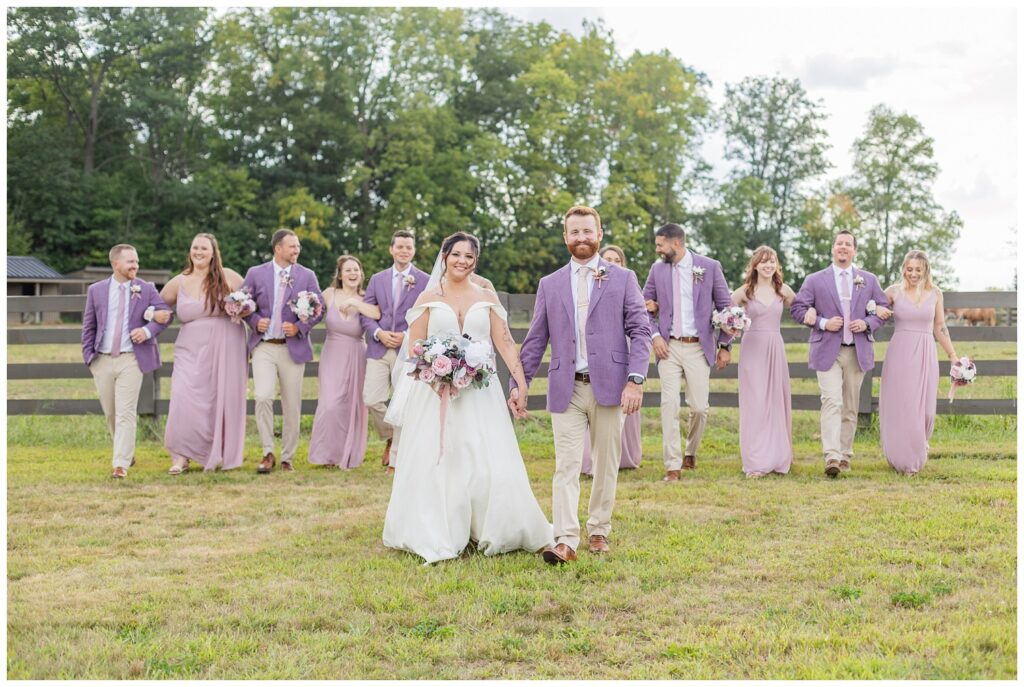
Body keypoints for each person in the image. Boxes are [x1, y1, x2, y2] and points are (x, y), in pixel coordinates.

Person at [382, 232, 553, 563]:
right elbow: (415, 350)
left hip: (480, 392)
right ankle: (439, 528)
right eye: (456, 254)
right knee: (439, 458)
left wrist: (521, 382)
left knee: (483, 455)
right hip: (435, 394)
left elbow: (504, 342)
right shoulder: (427, 298)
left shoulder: (486, 296)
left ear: (476, 261)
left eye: (469, 257)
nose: (462, 261)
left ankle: (486, 525)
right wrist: (435, 376)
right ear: (444, 256)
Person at [514, 206, 651, 565]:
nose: (581, 238)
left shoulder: (623, 278)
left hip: (611, 386)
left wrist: (635, 380)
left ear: (599, 234)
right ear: (565, 237)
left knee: (606, 463)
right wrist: (521, 384)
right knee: (566, 466)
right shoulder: (550, 283)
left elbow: (640, 331)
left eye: (587, 231)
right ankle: (565, 539)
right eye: (574, 232)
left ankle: (599, 530)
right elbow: (535, 340)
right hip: (566, 387)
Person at [790, 230, 889, 477]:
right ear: (832, 248)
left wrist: (867, 323)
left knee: (850, 405)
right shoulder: (815, 280)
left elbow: (883, 307)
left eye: (848, 244)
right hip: (827, 350)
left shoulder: (868, 279)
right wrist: (822, 323)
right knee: (831, 401)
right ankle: (831, 456)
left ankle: (845, 454)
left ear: (854, 250)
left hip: (857, 351)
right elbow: (798, 308)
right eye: (839, 243)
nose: (843, 247)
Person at [642, 223, 733, 481]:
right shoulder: (657, 270)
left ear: (676, 244)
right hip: (668, 348)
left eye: (661, 245)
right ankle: (672, 465)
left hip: (698, 347)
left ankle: (690, 451)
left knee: (699, 408)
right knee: (668, 404)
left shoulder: (709, 266)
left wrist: (725, 344)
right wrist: (655, 335)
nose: (657, 249)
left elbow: (727, 308)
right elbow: (642, 307)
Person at [81, 244, 172, 478]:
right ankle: (125, 452)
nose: (136, 265)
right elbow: (89, 326)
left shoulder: (146, 288)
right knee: (110, 412)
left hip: (132, 359)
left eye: (137, 261)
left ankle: (120, 463)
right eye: (130, 261)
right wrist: (89, 358)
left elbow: (165, 315)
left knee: (125, 412)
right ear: (116, 264)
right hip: (101, 359)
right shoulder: (96, 290)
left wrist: (148, 330)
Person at [160, 233, 248, 474]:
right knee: (183, 395)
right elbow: (156, 306)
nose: (199, 252)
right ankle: (180, 456)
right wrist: (151, 321)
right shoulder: (179, 281)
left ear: (213, 252)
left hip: (226, 347)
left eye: (204, 248)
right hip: (190, 349)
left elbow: (254, 302)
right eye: (195, 248)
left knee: (218, 399)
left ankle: (216, 452)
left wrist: (244, 309)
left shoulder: (229, 277)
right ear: (190, 251)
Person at [241, 229, 325, 473]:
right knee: (263, 397)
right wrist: (255, 320)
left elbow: (321, 309)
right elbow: (242, 303)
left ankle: (288, 456)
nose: (297, 250)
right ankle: (268, 452)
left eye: (298, 246)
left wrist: (299, 326)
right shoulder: (256, 273)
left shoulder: (307, 275)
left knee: (291, 404)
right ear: (278, 248)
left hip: (292, 348)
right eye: (292, 246)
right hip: (264, 346)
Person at [879, 250, 958, 475]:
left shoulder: (935, 293)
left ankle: (918, 444)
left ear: (926, 271)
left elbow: (940, 326)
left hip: (925, 353)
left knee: (925, 411)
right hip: (900, 353)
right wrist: (876, 309)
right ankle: (906, 460)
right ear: (903, 268)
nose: (913, 274)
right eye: (909, 269)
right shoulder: (893, 292)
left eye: (918, 270)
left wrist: (952, 355)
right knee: (903, 407)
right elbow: (870, 308)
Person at [360, 230, 430, 472]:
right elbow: (366, 313)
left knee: (403, 404)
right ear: (391, 249)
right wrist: (378, 333)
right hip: (379, 348)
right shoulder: (377, 279)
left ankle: (396, 460)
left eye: (408, 247)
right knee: (371, 399)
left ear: (413, 251)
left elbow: (427, 314)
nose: (404, 251)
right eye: (400, 246)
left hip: (408, 350)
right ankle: (390, 436)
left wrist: (406, 335)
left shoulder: (424, 280)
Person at [308, 255, 379, 469]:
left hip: (357, 354)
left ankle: (346, 455)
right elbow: (312, 313)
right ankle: (327, 454)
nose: (353, 274)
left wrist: (355, 302)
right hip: (332, 354)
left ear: (361, 274)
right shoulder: (329, 294)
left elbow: (376, 313)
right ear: (339, 275)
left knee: (351, 407)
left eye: (356, 270)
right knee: (330, 404)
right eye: (348, 270)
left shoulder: (366, 297)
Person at [731, 246, 796, 478]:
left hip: (774, 347)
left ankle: (778, 456)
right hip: (752, 349)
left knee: (776, 400)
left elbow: (801, 310)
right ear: (755, 265)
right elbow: (726, 316)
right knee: (755, 402)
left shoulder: (783, 291)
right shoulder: (745, 292)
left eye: (772, 261)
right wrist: (731, 326)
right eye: (763, 261)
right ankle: (756, 460)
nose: (768, 265)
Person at [580, 245, 643, 476]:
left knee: (622, 401)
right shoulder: (586, 283)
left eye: (617, 259)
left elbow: (638, 321)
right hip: (595, 350)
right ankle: (591, 459)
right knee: (595, 401)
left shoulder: (627, 281)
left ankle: (625, 455)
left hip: (623, 347)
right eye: (608, 259)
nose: (613, 263)